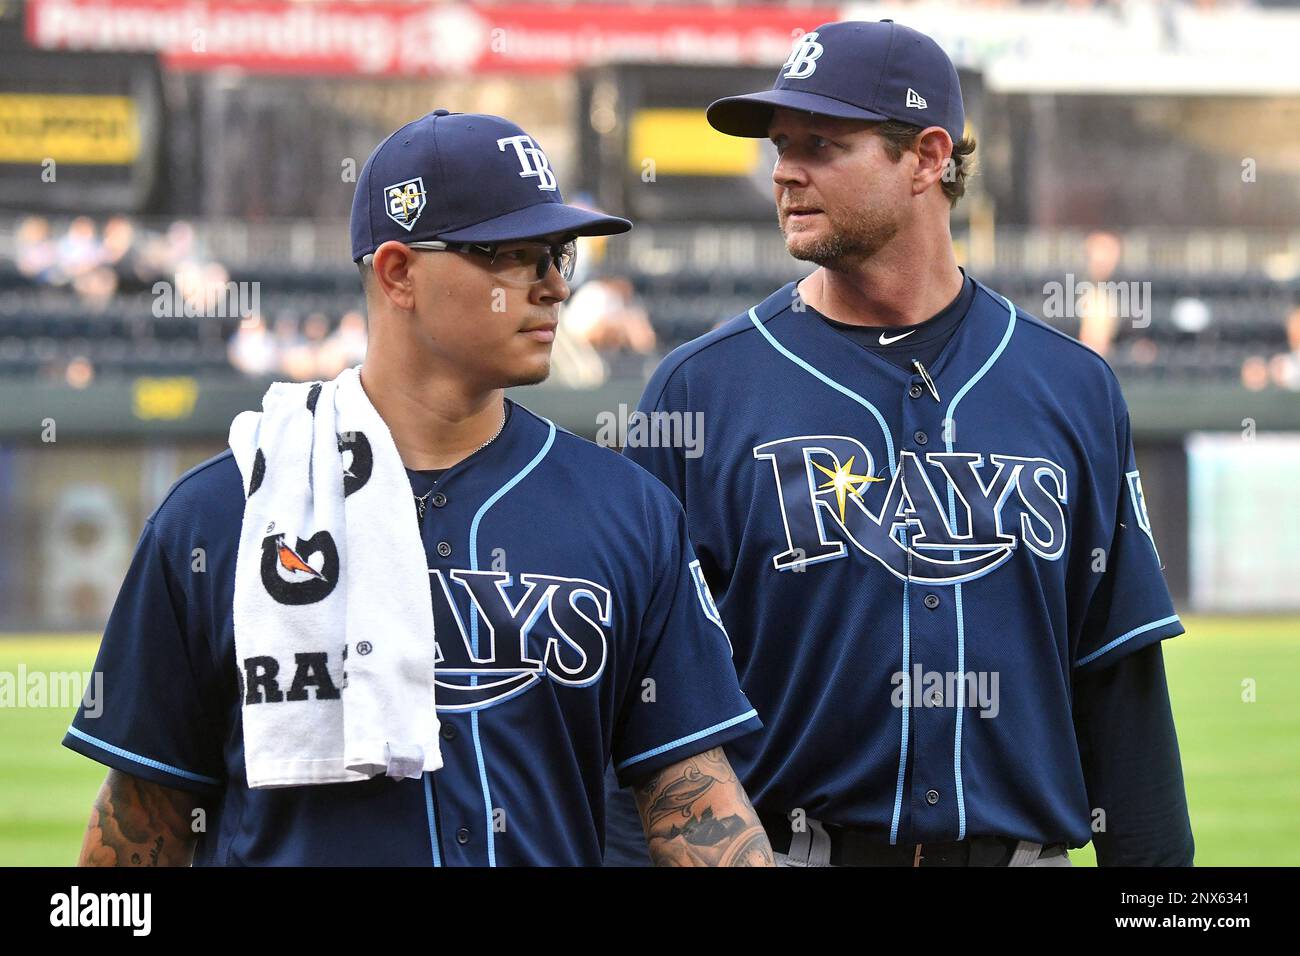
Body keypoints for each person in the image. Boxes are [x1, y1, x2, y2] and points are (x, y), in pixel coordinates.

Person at [65, 110, 770, 867]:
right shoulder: (222, 515)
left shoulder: (628, 512)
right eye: (516, 255)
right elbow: (146, 823)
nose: (556, 285)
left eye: (559, 254)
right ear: (399, 272)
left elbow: (694, 806)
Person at [604, 20, 1194, 867]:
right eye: (779, 145)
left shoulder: (1071, 387)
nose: (784, 170)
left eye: (821, 143)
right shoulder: (699, 391)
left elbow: (1122, 694)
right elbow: (633, 719)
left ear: (925, 158)